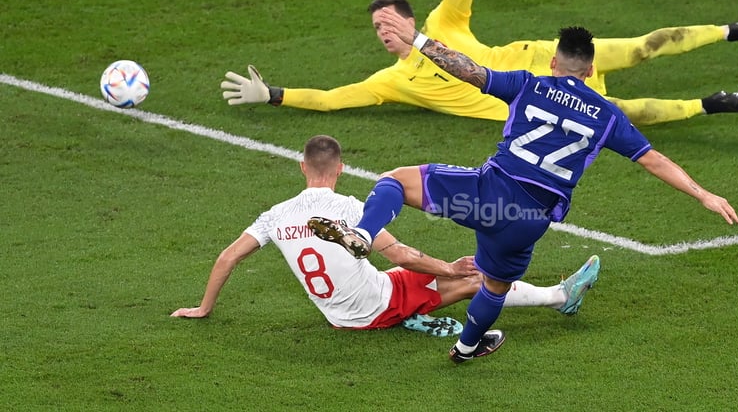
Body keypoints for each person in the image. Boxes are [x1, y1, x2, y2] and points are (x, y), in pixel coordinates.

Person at [307, 13, 738, 364]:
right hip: (528, 221)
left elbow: (468, 70)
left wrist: (419, 40)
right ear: (590, 70)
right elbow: (654, 159)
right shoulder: (607, 116)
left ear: (554, 63)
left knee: (395, 181)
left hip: (487, 195)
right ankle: (466, 348)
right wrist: (704, 194)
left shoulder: (529, 85)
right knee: (492, 285)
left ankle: (363, 234)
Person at [219, 0, 738, 126]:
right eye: (376, 28)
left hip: (540, 55)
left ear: (410, 19)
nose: (382, 32)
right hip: (536, 101)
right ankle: (708, 104)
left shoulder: (443, 22)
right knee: (623, 114)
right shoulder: (393, 81)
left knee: (641, 47)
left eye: (388, 22)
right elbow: (334, 99)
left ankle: (731, 31)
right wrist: (271, 94)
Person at [171, 134, 601, 336]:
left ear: (302, 167)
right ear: (339, 169)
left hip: (340, 306)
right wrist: (447, 267)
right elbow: (403, 255)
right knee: (475, 277)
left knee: (447, 275)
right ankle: (561, 298)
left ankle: (427, 301)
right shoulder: (349, 209)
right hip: (372, 308)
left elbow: (228, 257)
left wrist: (204, 308)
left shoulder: (275, 215)